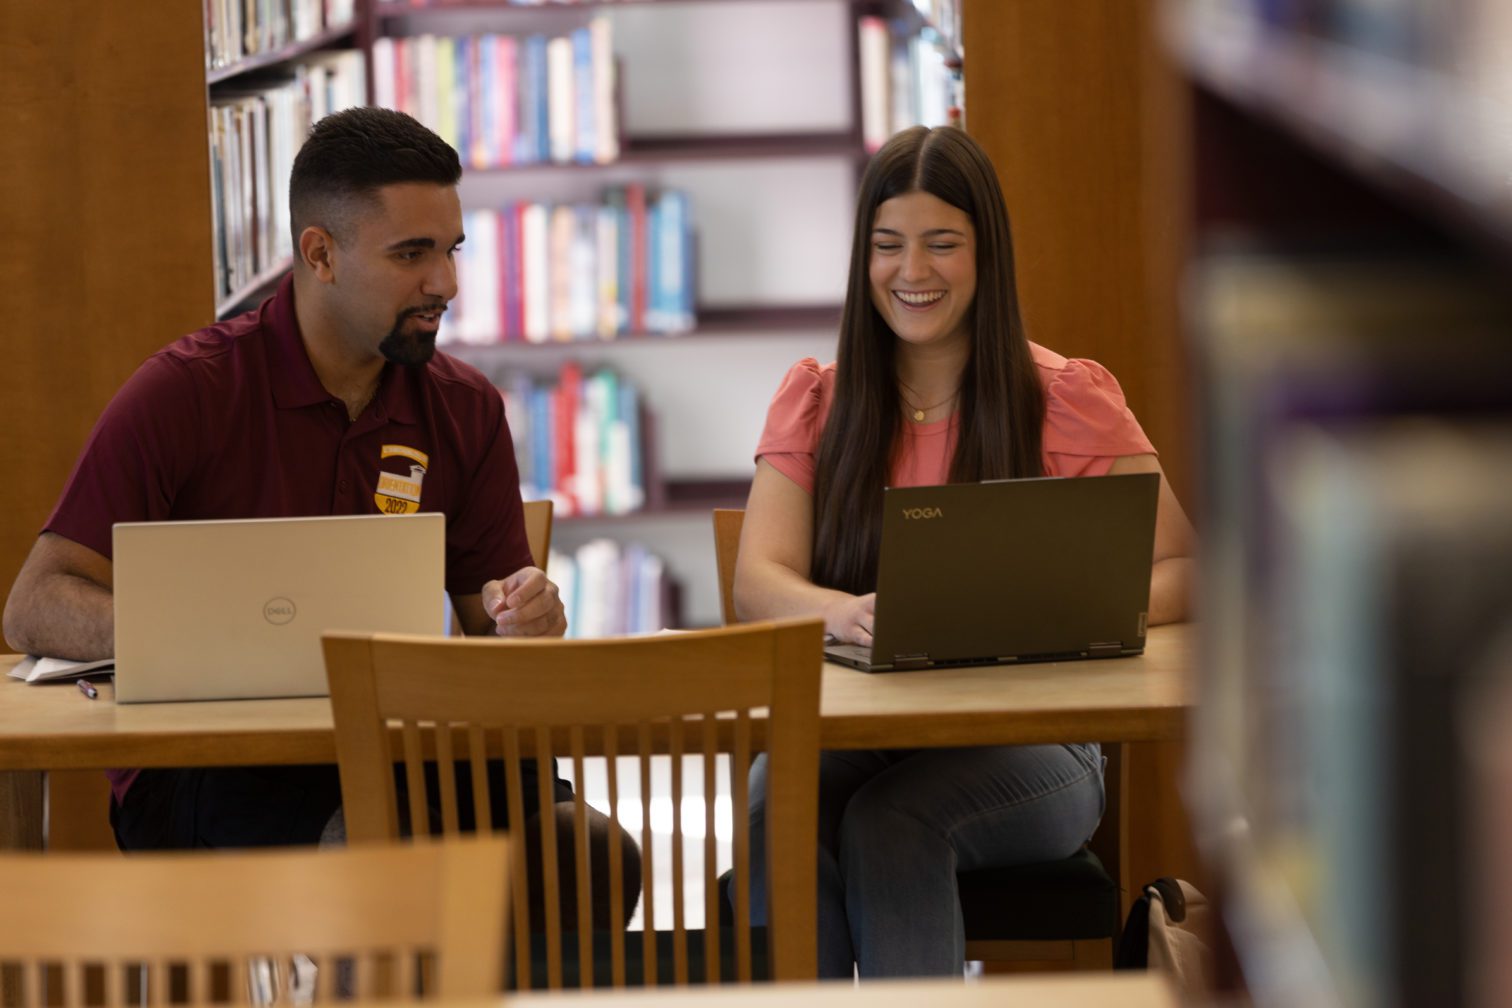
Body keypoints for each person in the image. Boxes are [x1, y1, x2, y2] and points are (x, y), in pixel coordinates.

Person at [2, 107, 637, 922]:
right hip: (212, 770)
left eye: (451, 251)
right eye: (412, 254)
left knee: (589, 856)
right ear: (320, 254)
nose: (445, 283)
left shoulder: (464, 408)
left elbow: (492, 624)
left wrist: (526, 616)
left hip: (404, 753)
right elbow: (36, 603)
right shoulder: (186, 392)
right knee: (389, 860)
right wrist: (190, 634)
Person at [733, 125, 1196, 978]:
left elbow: (1186, 570)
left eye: (942, 244)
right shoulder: (817, 400)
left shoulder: (1064, 399)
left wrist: (1078, 610)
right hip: (863, 730)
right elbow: (758, 582)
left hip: (1041, 746)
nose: (912, 272)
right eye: (888, 246)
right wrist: (844, 611)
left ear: (987, 256)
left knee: (892, 823)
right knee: (775, 813)